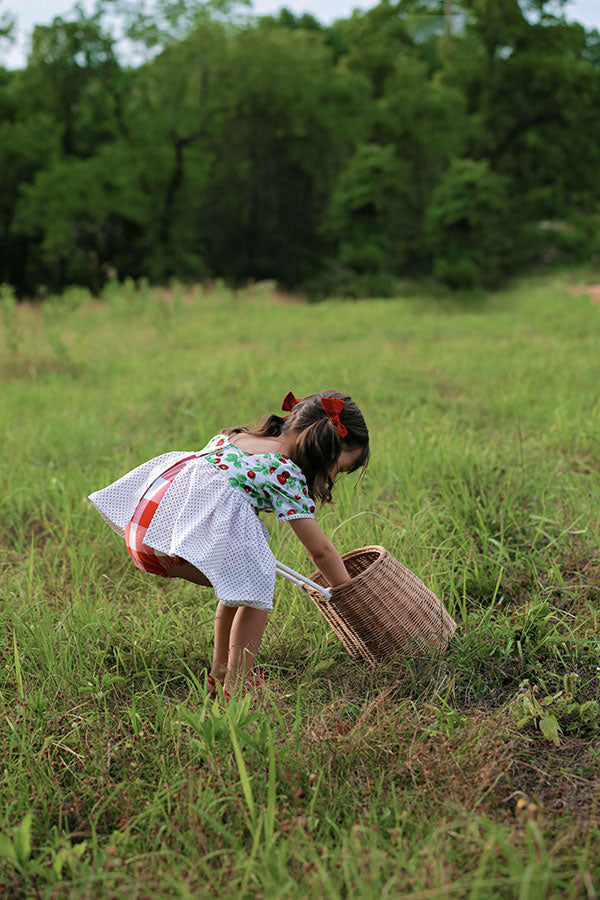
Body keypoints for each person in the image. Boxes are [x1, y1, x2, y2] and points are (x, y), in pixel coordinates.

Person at [88, 389, 369, 700]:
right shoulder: (281, 470)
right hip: (172, 543)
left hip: (147, 530)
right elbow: (321, 551)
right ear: (326, 449)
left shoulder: (236, 438)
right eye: (339, 469)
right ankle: (238, 686)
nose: (332, 476)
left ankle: (220, 673)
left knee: (239, 581)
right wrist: (349, 596)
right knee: (257, 589)